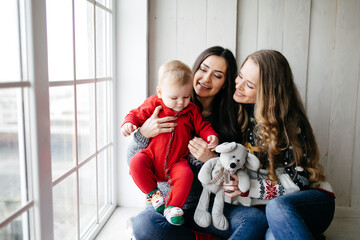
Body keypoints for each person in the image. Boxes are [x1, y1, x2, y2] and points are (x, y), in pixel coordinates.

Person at [127, 46, 268, 239]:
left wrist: (210, 159)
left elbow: (227, 182)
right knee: (144, 226)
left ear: (226, 83)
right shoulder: (161, 106)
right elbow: (132, 161)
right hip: (166, 205)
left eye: (217, 75)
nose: (206, 79)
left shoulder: (231, 121)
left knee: (254, 220)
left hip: (206, 206)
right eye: (203, 69)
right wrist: (142, 133)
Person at [230, 49, 335, 239]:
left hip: (309, 202)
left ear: (268, 94)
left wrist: (249, 188)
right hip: (268, 210)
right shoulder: (239, 113)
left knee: (277, 207)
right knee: (271, 236)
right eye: (240, 76)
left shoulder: (290, 125)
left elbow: (299, 182)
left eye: (250, 85)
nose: (239, 85)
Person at [121, 60, 219, 226]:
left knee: (185, 174)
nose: (181, 102)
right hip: (151, 157)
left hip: (177, 163)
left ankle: (173, 207)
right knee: (136, 162)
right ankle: (154, 195)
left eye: (186, 97)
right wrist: (131, 124)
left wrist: (211, 137)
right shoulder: (154, 105)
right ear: (160, 92)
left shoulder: (192, 111)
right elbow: (136, 114)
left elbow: (203, 126)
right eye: (174, 97)